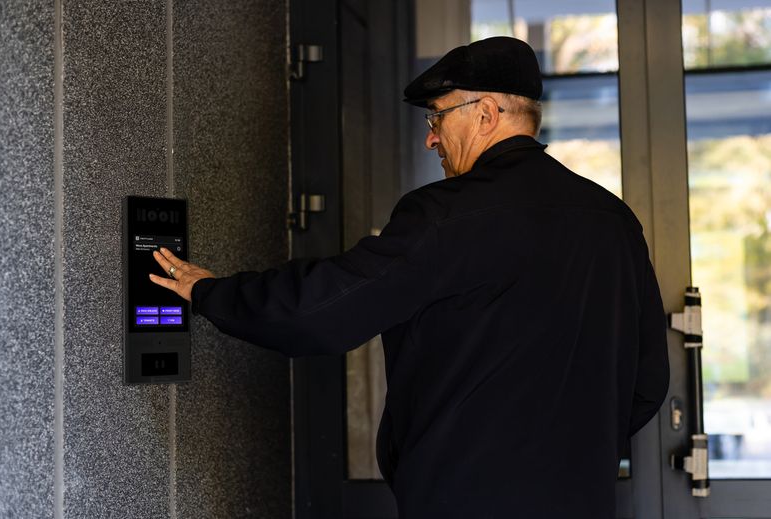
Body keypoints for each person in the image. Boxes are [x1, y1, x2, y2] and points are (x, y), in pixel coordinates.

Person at [149, 36, 669, 518]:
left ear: (486, 113)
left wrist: (210, 292)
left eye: (438, 116)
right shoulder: (614, 222)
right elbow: (648, 385)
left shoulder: (447, 215)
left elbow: (324, 309)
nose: (430, 138)